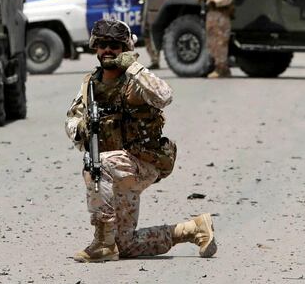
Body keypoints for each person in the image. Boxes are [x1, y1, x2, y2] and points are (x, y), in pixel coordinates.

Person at [64, 19, 217, 263]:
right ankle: (194, 229)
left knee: (95, 164)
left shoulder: (136, 79)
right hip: (115, 171)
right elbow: (71, 120)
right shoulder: (90, 85)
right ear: (95, 48)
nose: (108, 50)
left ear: (125, 48)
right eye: (102, 45)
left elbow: (164, 96)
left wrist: (134, 67)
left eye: (115, 45)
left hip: (143, 162)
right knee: (126, 245)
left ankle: (102, 242)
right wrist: (81, 127)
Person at [197, 0, 236, 78]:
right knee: (212, 42)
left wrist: (215, 0)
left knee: (220, 43)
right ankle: (218, 67)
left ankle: (221, 69)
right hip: (212, 15)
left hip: (221, 15)